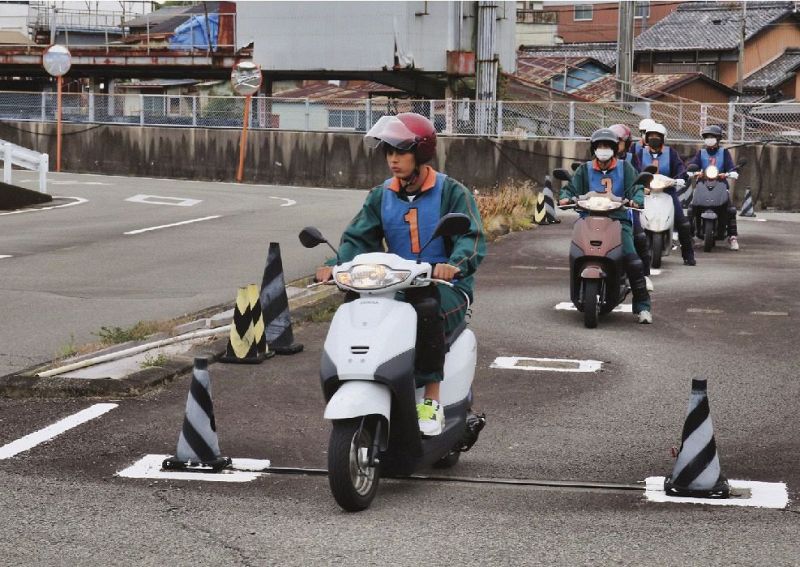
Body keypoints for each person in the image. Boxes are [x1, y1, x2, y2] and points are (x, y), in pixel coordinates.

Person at [315, 113, 486, 437]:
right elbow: (358, 238)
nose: (393, 159)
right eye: (388, 152)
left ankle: (431, 400)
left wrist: (455, 263)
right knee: (355, 305)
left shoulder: (451, 191)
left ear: (420, 153)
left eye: (400, 152)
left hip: (443, 284)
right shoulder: (382, 195)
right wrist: (335, 266)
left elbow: (471, 237)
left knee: (425, 308)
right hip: (393, 282)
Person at [558, 128, 653, 324]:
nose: (603, 149)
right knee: (577, 251)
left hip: (618, 219)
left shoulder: (625, 168)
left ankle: (643, 306)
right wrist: (566, 198)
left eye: (607, 146)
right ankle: (578, 288)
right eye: (600, 146)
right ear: (594, 149)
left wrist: (636, 200)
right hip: (587, 217)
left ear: (614, 149)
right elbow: (570, 189)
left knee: (633, 260)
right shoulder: (584, 169)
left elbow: (636, 188)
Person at [632, 122, 697, 266]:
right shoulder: (639, 153)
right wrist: (637, 183)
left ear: (663, 138)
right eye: (651, 136)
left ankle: (688, 255)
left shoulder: (671, 153)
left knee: (682, 222)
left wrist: (681, 178)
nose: (654, 138)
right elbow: (633, 170)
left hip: (667, 191)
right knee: (632, 221)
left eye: (657, 136)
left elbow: (680, 169)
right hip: (646, 192)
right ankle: (633, 254)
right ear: (646, 137)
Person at [610, 123, 653, 291]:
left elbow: (639, 177)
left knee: (640, 237)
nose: (613, 146)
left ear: (626, 144)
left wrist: (641, 191)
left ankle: (645, 275)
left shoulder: (631, 159)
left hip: (625, 206)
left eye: (618, 141)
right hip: (602, 206)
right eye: (610, 142)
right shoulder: (598, 160)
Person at [688, 125, 739, 250]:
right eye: (707, 137)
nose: (709, 139)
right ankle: (688, 236)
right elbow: (693, 165)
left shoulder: (724, 152)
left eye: (712, 137)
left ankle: (732, 237)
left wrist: (729, 173)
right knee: (691, 208)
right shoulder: (701, 152)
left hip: (720, 184)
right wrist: (694, 172)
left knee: (730, 210)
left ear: (718, 138)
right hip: (703, 184)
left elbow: (731, 167)